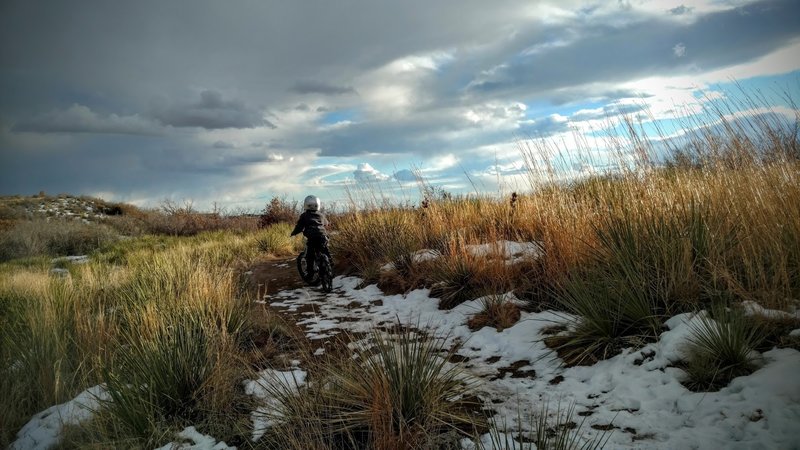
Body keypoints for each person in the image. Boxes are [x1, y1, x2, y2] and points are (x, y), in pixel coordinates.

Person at [290, 195, 331, 284]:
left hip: (312, 238)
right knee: (325, 250)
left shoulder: (304, 216)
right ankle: (330, 266)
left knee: (310, 256)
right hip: (323, 236)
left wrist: (293, 233)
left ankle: (310, 274)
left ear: (306, 205)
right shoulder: (321, 215)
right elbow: (326, 224)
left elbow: (299, 227)